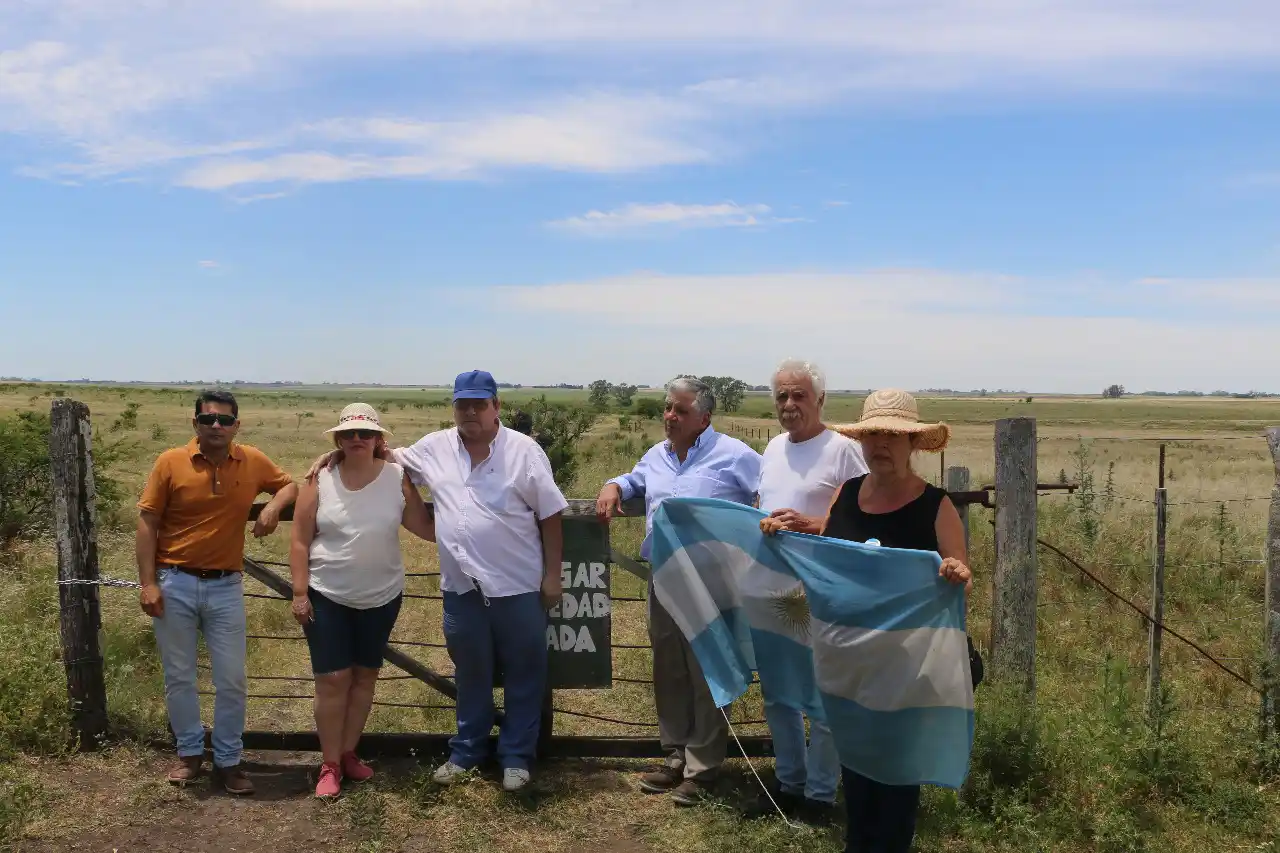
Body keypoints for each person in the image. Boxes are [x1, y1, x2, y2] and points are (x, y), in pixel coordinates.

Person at [306, 370, 567, 793]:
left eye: (479, 405)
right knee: (471, 674)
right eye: (462, 405)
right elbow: (383, 455)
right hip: (462, 589)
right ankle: (467, 751)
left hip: (518, 585)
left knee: (525, 673)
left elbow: (551, 516)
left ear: (496, 406)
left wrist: (551, 577)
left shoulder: (525, 452)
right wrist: (333, 457)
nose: (470, 413)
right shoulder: (435, 447)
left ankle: (517, 758)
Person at [595, 376, 762, 807]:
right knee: (669, 666)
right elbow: (633, 482)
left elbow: (766, 492)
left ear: (704, 417)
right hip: (665, 578)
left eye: (680, 410)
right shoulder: (658, 455)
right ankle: (675, 754)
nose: (670, 416)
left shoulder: (735, 455)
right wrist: (614, 486)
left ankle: (703, 768)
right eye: (668, 408)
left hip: (713, 582)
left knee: (707, 667)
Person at [818, 389, 972, 853]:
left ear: (913, 445)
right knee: (858, 768)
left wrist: (954, 571)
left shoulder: (935, 505)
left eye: (893, 436)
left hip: (909, 670)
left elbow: (959, 570)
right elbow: (826, 558)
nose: (881, 445)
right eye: (872, 435)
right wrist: (788, 534)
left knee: (898, 778)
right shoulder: (845, 494)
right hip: (852, 665)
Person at [136, 389, 298, 794]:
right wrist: (148, 583)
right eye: (208, 419)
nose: (216, 426)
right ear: (195, 423)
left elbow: (291, 485)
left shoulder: (252, 460)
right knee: (179, 677)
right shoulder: (169, 462)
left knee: (232, 679)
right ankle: (190, 754)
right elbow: (148, 524)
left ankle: (228, 760)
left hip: (226, 586)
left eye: (225, 420)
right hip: (175, 582)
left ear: (236, 426)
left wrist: (273, 507)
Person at [289, 403, 437, 799]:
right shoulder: (319, 479)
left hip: (382, 595)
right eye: (349, 434)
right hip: (327, 594)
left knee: (365, 677)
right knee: (333, 679)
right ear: (338, 439)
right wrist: (300, 592)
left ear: (378, 439)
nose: (357, 439)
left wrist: (481, 529)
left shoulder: (397, 477)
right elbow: (300, 539)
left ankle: (350, 753)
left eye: (365, 433)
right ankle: (330, 763)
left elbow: (423, 525)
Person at [752, 358, 868, 823]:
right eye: (781, 395)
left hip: (821, 591)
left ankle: (820, 795)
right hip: (770, 586)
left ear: (820, 400)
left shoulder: (842, 450)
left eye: (799, 395)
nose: (789, 404)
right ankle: (788, 783)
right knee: (778, 693)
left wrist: (818, 527)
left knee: (823, 697)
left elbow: (863, 517)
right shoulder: (773, 448)